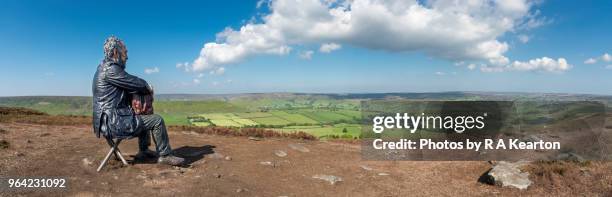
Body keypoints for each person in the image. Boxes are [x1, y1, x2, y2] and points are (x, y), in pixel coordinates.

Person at [92, 36, 184, 166]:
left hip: (108, 120)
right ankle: (165, 155)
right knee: (157, 120)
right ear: (116, 52)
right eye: (125, 52)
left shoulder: (103, 68)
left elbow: (127, 86)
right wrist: (147, 86)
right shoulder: (110, 70)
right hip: (114, 122)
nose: (127, 57)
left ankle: (144, 150)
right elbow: (134, 82)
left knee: (143, 116)